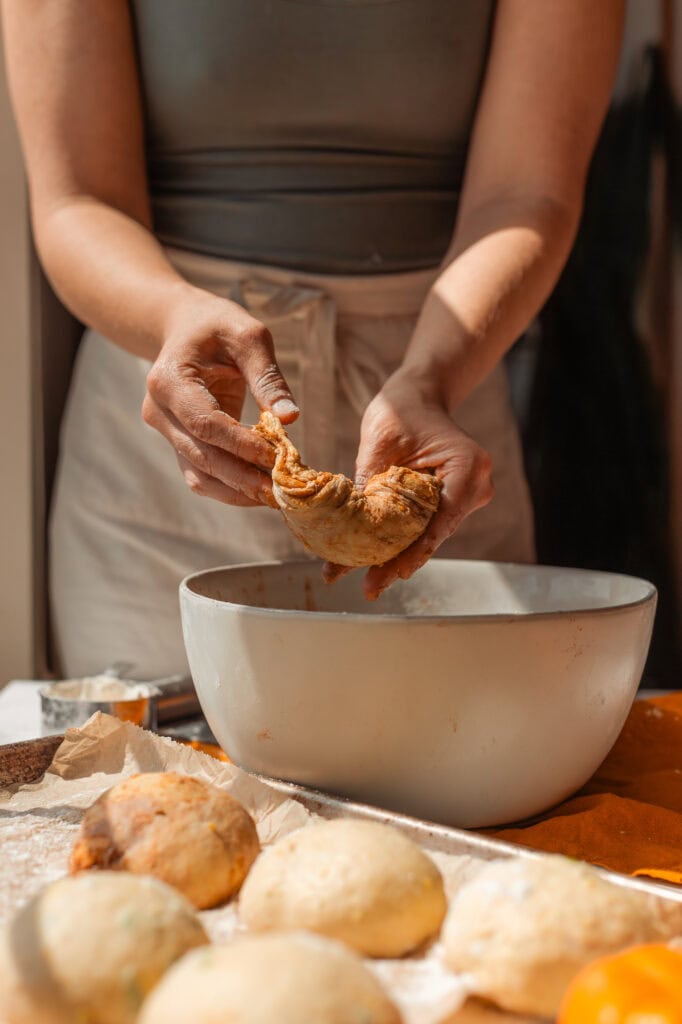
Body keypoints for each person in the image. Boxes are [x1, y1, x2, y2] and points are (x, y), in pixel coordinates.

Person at [2, 0, 624, 678]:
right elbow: (78, 200)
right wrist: (168, 315)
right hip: (174, 429)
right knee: (146, 781)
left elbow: (529, 191)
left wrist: (434, 376)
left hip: (437, 408)